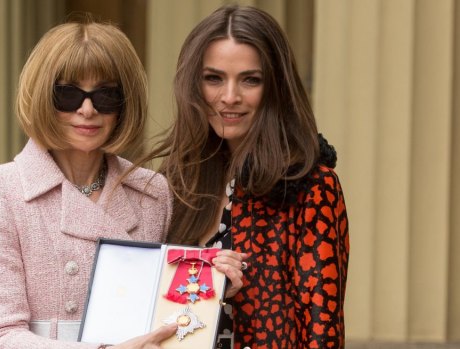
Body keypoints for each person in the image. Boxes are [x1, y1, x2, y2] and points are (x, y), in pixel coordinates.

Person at [0, 20, 245, 349]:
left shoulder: (152, 192)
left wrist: (209, 288)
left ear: (124, 105)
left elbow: (167, 317)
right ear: (42, 96)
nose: (87, 109)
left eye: (105, 96)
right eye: (68, 94)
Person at [144, 5, 350, 349]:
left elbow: (322, 333)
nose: (229, 97)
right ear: (194, 85)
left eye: (250, 80)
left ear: (275, 88)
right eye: (214, 78)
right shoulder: (178, 180)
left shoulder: (310, 187)